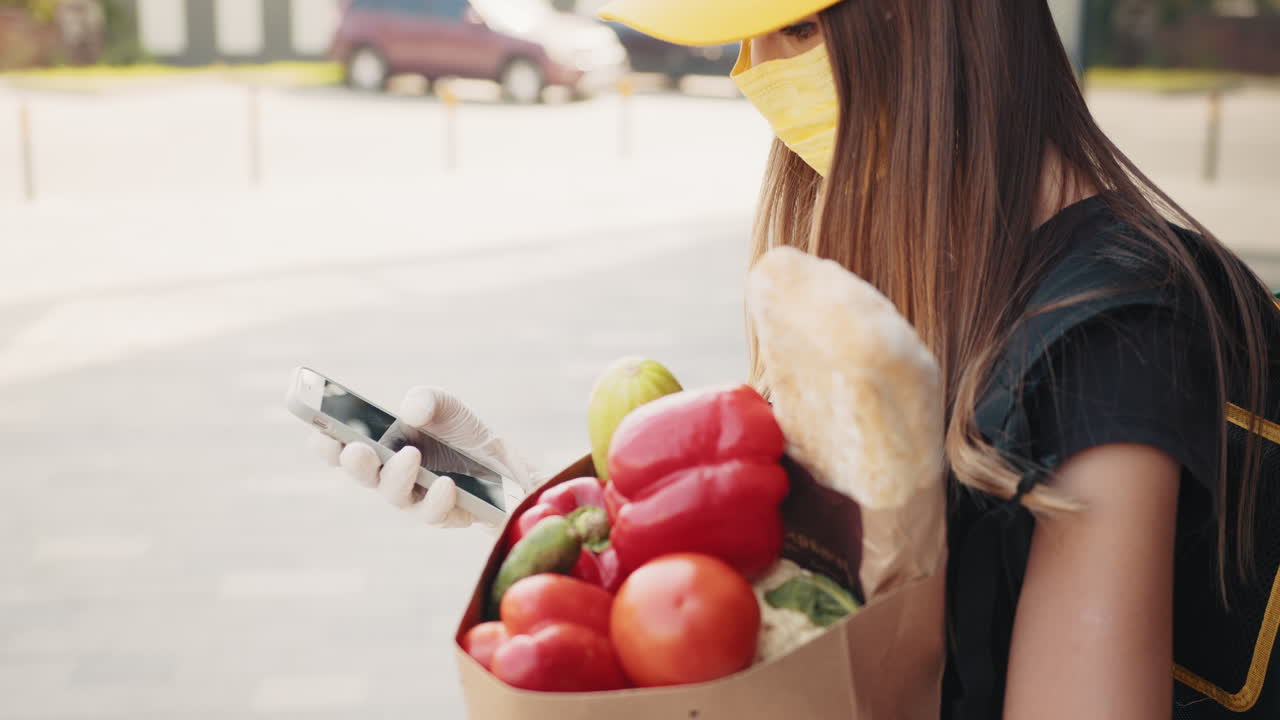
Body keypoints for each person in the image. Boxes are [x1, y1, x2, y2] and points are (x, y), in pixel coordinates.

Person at [309, 0, 1280, 717]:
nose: (755, 73)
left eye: (796, 31)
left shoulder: (1114, 334)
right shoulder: (921, 279)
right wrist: (551, 519)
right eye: (745, 38)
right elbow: (811, 597)